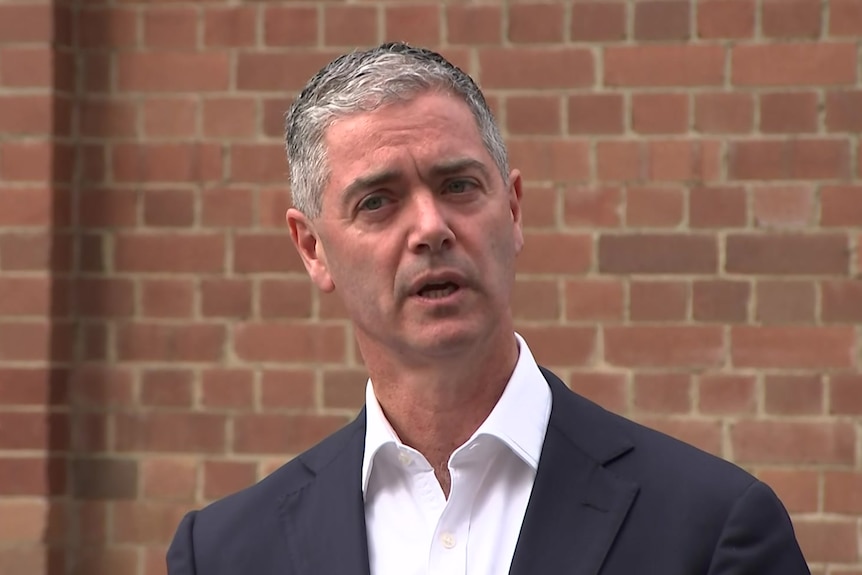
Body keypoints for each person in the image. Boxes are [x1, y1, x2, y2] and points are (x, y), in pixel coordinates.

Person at [167, 43, 809, 575]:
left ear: (513, 208)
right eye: (378, 201)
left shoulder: (711, 528)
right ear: (313, 249)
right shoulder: (224, 554)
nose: (431, 227)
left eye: (458, 186)